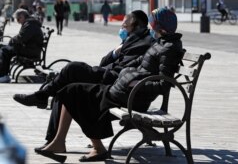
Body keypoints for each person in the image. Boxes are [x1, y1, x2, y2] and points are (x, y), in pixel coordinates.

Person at [32, 7, 183, 162]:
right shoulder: (161, 44)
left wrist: (134, 83)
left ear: (159, 26)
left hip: (134, 97)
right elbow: (140, 64)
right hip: (124, 90)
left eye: (152, 24)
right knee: (70, 90)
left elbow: (164, 84)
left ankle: (98, 148)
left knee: (75, 94)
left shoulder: (169, 48)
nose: (150, 27)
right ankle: (59, 142)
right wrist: (126, 72)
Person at [13, 10, 152, 109]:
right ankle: (52, 137)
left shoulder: (142, 44)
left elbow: (124, 70)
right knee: (65, 88)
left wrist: (103, 69)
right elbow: (103, 62)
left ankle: (42, 96)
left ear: (136, 26)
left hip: (113, 82)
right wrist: (116, 52)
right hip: (108, 75)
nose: (122, 29)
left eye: (125, 26)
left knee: (73, 68)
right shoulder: (130, 41)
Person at [0, 8, 43, 83]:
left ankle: (4, 75)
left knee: (5, 50)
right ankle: (4, 75)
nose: (18, 21)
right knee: (5, 49)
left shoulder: (30, 24)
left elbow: (22, 38)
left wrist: (11, 41)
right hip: (30, 48)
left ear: (22, 16)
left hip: (31, 51)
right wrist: (13, 41)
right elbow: (21, 37)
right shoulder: (29, 23)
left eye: (18, 19)